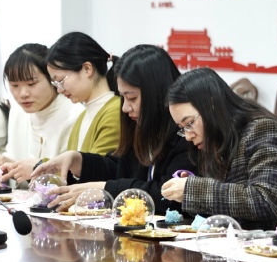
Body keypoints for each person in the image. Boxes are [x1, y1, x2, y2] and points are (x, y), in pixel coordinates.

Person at [34, 45, 196, 215]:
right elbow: (119, 168)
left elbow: (171, 195)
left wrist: (107, 188)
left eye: (132, 97)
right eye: (122, 97)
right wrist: (79, 161)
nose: (125, 107)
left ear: (156, 92)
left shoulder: (188, 134)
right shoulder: (138, 126)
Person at [160, 67, 277, 230]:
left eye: (190, 123)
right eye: (182, 128)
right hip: (237, 241)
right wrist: (189, 191)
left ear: (212, 105)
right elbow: (226, 206)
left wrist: (194, 190)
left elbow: (265, 201)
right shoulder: (215, 140)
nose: (188, 136)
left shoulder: (264, 129)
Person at [0, 43, 82, 183]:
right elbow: (14, 161)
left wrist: (21, 168)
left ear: (52, 79)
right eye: (15, 85)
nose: (23, 94)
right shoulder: (18, 111)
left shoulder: (74, 115)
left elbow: (71, 179)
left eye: (31, 84)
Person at [45, 32, 121, 155]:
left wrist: (40, 164)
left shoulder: (115, 112)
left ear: (87, 69)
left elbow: (95, 165)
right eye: (56, 84)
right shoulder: (81, 118)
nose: (59, 90)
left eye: (61, 81)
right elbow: (70, 166)